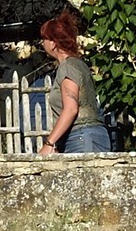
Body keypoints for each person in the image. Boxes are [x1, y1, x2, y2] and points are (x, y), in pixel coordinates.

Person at [38, 10, 111, 154]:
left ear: (53, 43)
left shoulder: (68, 67)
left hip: (82, 136)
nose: (42, 43)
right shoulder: (79, 65)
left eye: (44, 39)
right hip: (87, 136)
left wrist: (49, 143)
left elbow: (71, 109)